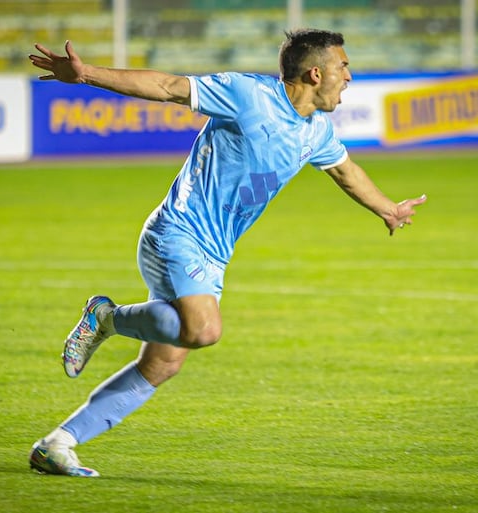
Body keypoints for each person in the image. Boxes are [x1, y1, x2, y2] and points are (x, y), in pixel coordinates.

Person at [27, 29, 426, 477]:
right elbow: (167, 87)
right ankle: (106, 317)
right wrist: (86, 76)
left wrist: (389, 210)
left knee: (165, 361)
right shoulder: (248, 95)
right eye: (344, 66)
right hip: (177, 233)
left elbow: (347, 172)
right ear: (316, 73)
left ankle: (57, 443)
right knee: (203, 329)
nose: (349, 76)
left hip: (211, 255)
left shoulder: (316, 131)